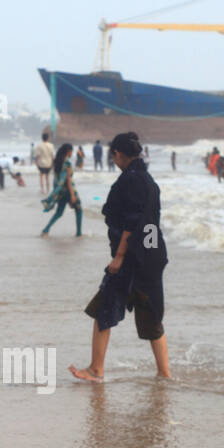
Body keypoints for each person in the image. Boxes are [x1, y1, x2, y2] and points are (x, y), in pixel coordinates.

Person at [69, 132, 170, 383]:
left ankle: (96, 370)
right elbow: (149, 225)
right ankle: (165, 374)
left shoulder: (131, 181)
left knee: (104, 309)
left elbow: (132, 222)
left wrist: (120, 256)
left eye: (113, 156)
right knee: (152, 316)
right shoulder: (148, 180)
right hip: (152, 255)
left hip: (132, 258)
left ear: (118, 154)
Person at [40, 142, 81, 236]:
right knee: (79, 209)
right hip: (68, 190)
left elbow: (57, 180)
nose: (72, 154)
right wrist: (72, 195)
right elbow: (68, 180)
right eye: (71, 152)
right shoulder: (67, 163)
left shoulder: (57, 161)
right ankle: (79, 233)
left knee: (59, 213)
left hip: (60, 192)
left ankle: (46, 230)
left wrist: (55, 192)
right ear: (68, 151)